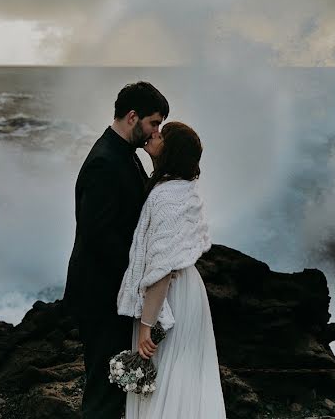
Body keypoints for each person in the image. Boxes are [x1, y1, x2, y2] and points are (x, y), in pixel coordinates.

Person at [63, 81, 169, 419]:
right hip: (101, 293)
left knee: (114, 385)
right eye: (154, 123)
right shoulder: (104, 161)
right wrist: (140, 279)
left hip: (114, 292)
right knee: (103, 388)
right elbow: (99, 235)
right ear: (133, 116)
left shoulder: (125, 155)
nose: (156, 132)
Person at [117, 122, 227, 418]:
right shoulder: (183, 188)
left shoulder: (165, 197)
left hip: (171, 295)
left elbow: (162, 271)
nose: (153, 134)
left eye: (161, 134)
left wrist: (145, 326)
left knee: (164, 376)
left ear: (172, 150)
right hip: (189, 290)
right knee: (185, 375)